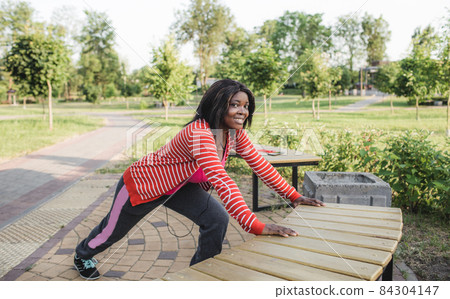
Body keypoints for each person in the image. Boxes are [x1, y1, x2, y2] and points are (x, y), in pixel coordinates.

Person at [73, 79, 324, 280]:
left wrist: (295, 196)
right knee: (110, 233)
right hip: (143, 185)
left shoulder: (233, 134)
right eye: (235, 104)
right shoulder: (199, 133)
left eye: (246, 106)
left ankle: (200, 275)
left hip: (180, 187)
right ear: (218, 104)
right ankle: (82, 255)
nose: (243, 111)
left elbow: (262, 166)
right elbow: (223, 180)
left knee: (216, 218)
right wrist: (256, 226)